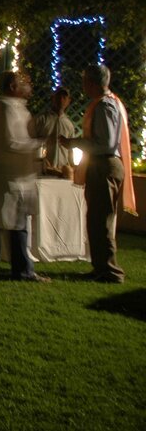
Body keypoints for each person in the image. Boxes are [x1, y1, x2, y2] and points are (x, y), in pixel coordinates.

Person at [60, 65, 137, 283]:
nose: (83, 85)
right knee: (96, 219)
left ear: (92, 83)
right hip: (102, 164)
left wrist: (74, 142)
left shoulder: (105, 106)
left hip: (104, 165)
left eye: (85, 81)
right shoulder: (108, 103)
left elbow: (105, 143)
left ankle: (110, 271)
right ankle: (101, 267)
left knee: (101, 220)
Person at [0, 71, 48, 282]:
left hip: (10, 174)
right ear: (13, 87)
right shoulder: (6, 109)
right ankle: (23, 270)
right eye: (23, 83)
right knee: (16, 223)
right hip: (11, 175)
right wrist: (37, 145)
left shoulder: (8, 107)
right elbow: (10, 142)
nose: (28, 86)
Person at [33, 87, 76, 177]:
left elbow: (70, 149)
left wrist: (72, 167)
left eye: (64, 97)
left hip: (61, 171)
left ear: (69, 101)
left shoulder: (69, 125)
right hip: (43, 171)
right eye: (58, 96)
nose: (61, 100)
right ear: (53, 98)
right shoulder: (41, 119)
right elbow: (31, 142)